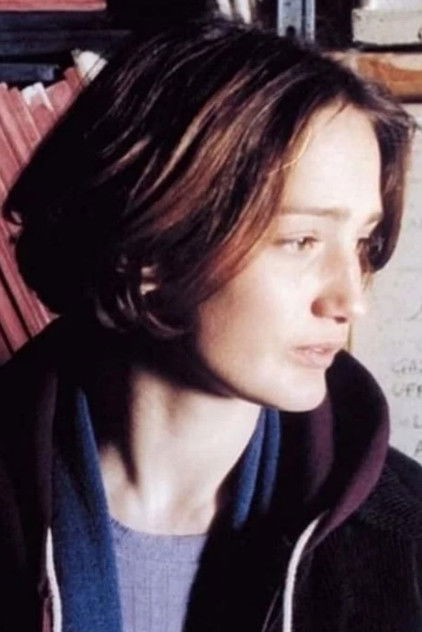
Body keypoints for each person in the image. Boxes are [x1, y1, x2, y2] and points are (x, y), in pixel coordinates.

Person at [0, 16, 420, 632]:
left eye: (361, 243)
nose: (349, 300)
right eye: (301, 241)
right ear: (150, 249)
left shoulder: (406, 541)